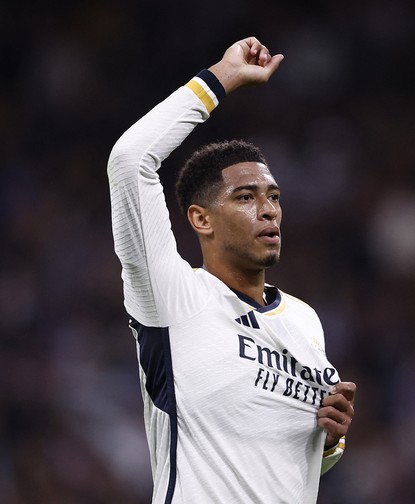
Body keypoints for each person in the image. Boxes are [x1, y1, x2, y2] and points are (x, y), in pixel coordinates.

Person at [107, 36, 356, 503]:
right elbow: (129, 161)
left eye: (274, 197)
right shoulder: (174, 298)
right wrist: (222, 77)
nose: (269, 211)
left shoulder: (305, 321)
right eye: (246, 197)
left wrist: (329, 442)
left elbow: (283, 463)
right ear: (201, 219)